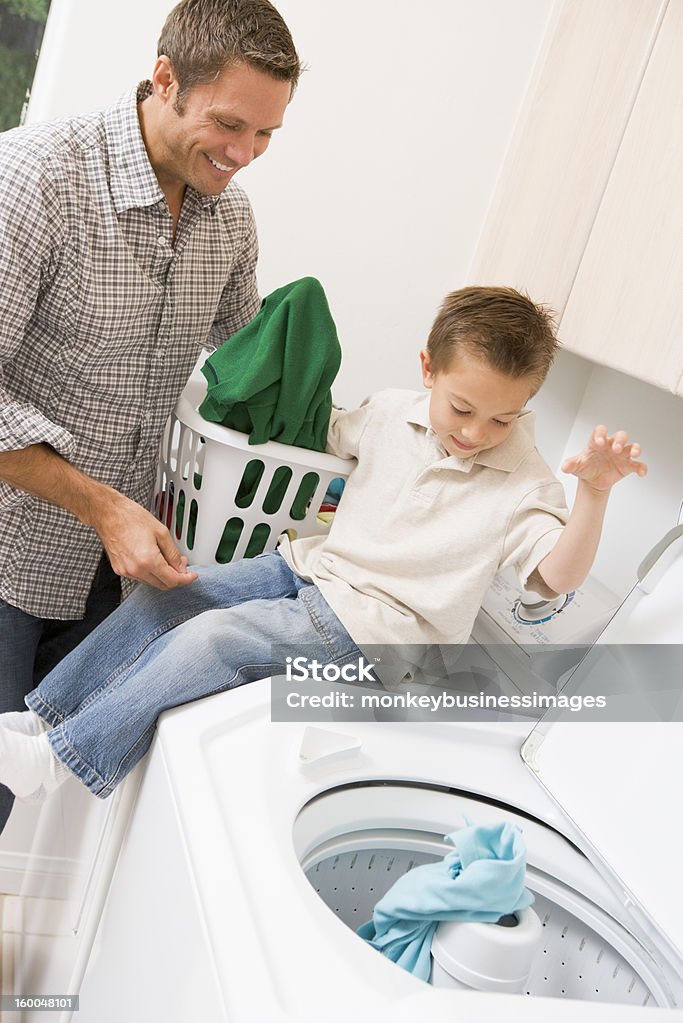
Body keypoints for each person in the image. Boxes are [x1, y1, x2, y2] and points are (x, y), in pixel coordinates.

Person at [0, 286, 647, 802]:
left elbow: (557, 577)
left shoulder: (526, 481)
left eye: (502, 417)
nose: (476, 432)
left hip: (376, 634)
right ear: (428, 371)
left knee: (213, 639)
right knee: (165, 595)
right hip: (306, 571)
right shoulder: (392, 410)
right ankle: (52, 718)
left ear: (526, 402)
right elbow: (321, 434)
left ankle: (61, 761)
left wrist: (592, 493)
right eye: (462, 408)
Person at [0, 0, 301, 828]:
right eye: (229, 124)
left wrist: (332, 459)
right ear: (165, 78)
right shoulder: (33, 181)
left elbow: (251, 368)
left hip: (119, 566)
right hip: (11, 549)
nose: (243, 156)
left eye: (266, 136)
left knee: (38, 784)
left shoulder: (227, 214)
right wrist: (102, 507)